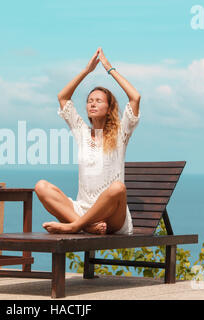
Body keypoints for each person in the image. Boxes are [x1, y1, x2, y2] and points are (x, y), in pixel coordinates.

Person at [35, 47, 141, 235]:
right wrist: (87, 70)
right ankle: (87, 225)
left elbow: (135, 97)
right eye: (90, 100)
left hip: (112, 217)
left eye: (98, 100)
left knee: (117, 188)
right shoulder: (82, 132)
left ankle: (76, 226)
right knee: (41, 187)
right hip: (82, 211)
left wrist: (109, 68)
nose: (92, 103)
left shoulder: (120, 133)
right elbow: (63, 97)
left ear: (109, 108)